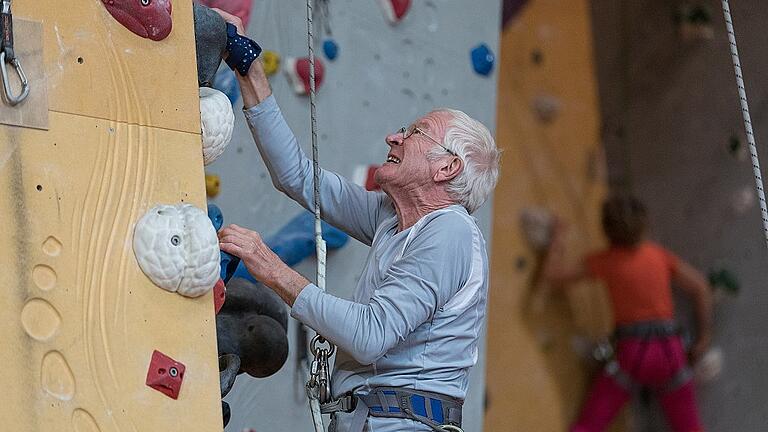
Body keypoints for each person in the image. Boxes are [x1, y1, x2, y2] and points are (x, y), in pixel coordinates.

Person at [212, 9, 501, 432]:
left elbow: (370, 337)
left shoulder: (450, 232)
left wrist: (272, 269)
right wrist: (249, 69)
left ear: (447, 169)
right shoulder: (393, 218)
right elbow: (296, 176)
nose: (394, 137)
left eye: (414, 133)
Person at [542, 194, 712, 432]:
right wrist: (703, 338)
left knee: (587, 427)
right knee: (690, 429)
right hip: (670, 352)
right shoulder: (659, 255)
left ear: (607, 229)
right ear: (644, 225)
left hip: (632, 355)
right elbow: (700, 287)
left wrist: (557, 237)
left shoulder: (605, 261)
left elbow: (553, 276)